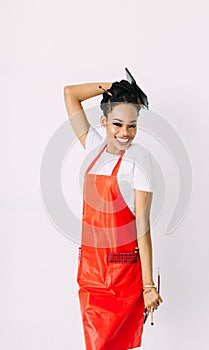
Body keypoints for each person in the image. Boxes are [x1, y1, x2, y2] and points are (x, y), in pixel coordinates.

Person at [63, 79, 163, 350]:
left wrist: (148, 285)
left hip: (122, 276)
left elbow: (142, 226)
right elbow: (70, 94)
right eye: (117, 123)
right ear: (103, 120)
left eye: (132, 126)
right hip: (90, 272)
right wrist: (116, 87)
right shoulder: (93, 146)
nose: (125, 133)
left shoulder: (138, 161)